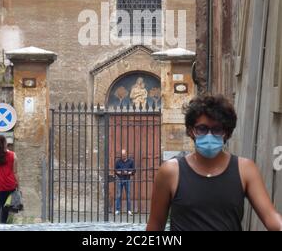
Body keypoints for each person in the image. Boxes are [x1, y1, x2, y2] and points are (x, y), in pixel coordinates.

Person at [147, 94, 282, 232]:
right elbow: (155, 226)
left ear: (227, 133)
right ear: (190, 131)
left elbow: (271, 217)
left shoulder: (245, 169)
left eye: (217, 129)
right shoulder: (171, 172)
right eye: (202, 129)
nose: (209, 135)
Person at [115, 150, 135, 216]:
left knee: (128, 195)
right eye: (122, 155)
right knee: (118, 195)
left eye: (124, 155)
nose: (123, 156)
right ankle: (117, 210)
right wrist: (119, 172)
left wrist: (129, 172)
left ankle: (129, 210)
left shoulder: (131, 161)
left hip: (127, 179)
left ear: (126, 154)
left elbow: (134, 170)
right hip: (120, 179)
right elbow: (115, 170)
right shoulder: (118, 161)